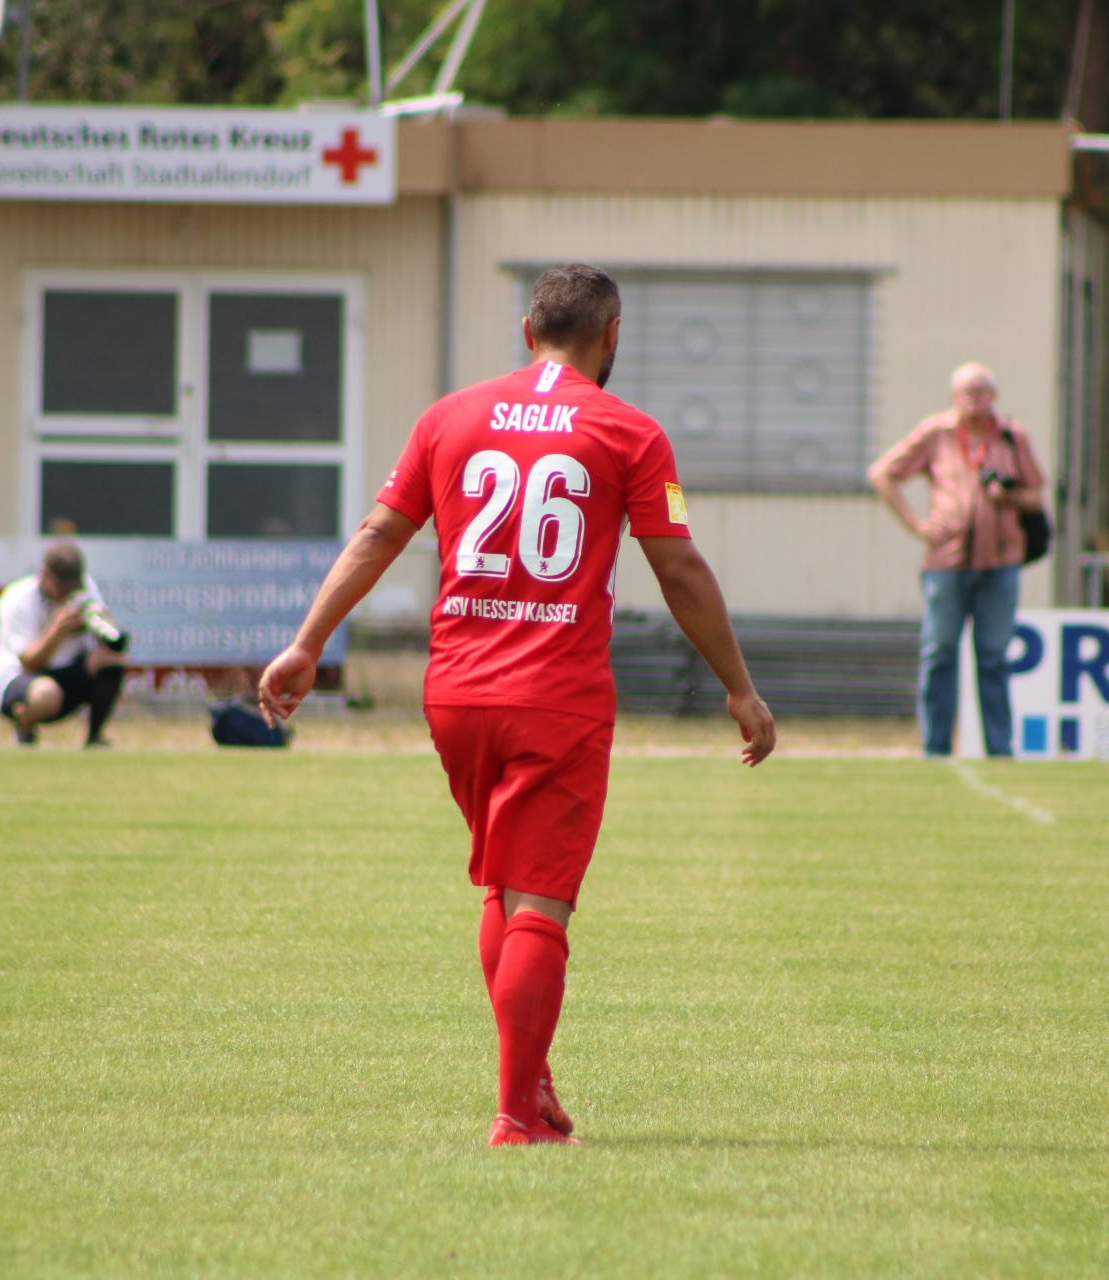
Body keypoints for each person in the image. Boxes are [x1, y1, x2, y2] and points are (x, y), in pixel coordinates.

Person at [257, 264, 776, 1147]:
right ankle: (515, 1115)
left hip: (457, 692)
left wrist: (307, 642)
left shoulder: (449, 417)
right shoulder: (630, 431)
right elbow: (679, 568)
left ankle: (528, 1080)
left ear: (527, 330)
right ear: (612, 335)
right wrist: (739, 685)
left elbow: (379, 532)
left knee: (504, 885)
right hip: (555, 696)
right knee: (541, 899)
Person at [868, 362, 1047, 757]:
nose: (974, 399)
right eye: (967, 392)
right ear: (954, 397)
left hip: (1000, 562)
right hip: (946, 563)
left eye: (981, 391)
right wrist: (915, 523)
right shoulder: (936, 433)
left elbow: (1037, 495)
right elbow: (882, 474)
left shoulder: (1012, 436)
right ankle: (935, 748)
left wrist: (1011, 497)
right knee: (940, 653)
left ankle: (1000, 749)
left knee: (994, 658)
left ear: (994, 395)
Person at [0, 541, 128, 747]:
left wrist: (95, 621)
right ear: (45, 576)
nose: (66, 594)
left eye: (72, 587)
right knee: (47, 694)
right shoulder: (18, 599)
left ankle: (95, 737)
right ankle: (24, 727)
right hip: (20, 680)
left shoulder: (86, 589)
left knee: (112, 658)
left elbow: (111, 641)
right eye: (61, 587)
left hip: (67, 675)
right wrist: (57, 631)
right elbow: (30, 664)